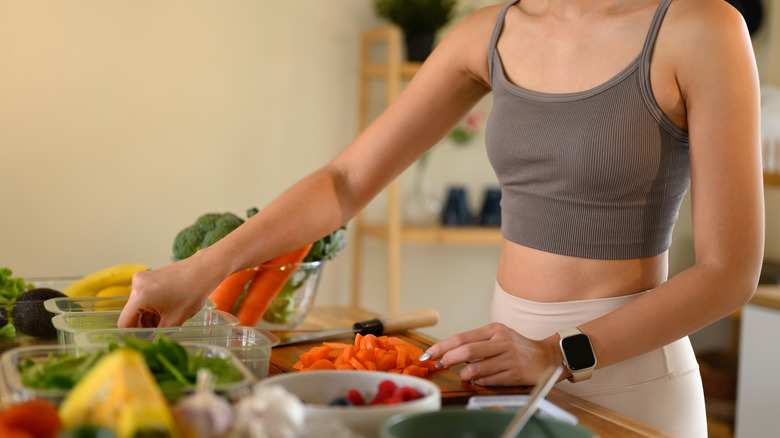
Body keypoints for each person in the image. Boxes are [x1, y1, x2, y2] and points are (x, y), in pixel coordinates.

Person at [118, 0, 764, 436]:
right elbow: (344, 182)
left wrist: (558, 353)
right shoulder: (488, 30)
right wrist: (201, 268)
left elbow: (728, 272)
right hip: (502, 366)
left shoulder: (701, 26)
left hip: (626, 374)